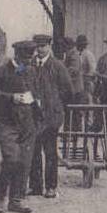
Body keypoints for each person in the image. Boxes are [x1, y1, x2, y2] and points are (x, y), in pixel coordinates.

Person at [0, 40, 39, 213]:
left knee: (24, 162)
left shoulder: (31, 70)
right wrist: (10, 97)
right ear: (17, 55)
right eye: (25, 60)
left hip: (27, 123)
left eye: (30, 59)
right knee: (11, 160)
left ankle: (16, 200)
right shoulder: (2, 71)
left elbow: (35, 91)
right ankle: (0, 198)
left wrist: (37, 105)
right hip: (7, 122)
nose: (28, 63)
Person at [28, 33, 74, 199]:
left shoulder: (57, 66)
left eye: (43, 46)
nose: (39, 50)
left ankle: (51, 187)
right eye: (37, 46)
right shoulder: (30, 64)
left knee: (50, 152)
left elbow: (68, 90)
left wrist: (55, 103)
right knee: (33, 152)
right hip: (33, 117)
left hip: (51, 117)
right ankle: (35, 187)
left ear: (49, 47)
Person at [77, 35, 98, 103]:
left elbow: (92, 70)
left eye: (82, 44)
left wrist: (85, 77)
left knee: (88, 99)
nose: (79, 46)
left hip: (87, 82)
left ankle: (89, 113)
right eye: (79, 44)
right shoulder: (77, 54)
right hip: (79, 82)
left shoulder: (88, 55)